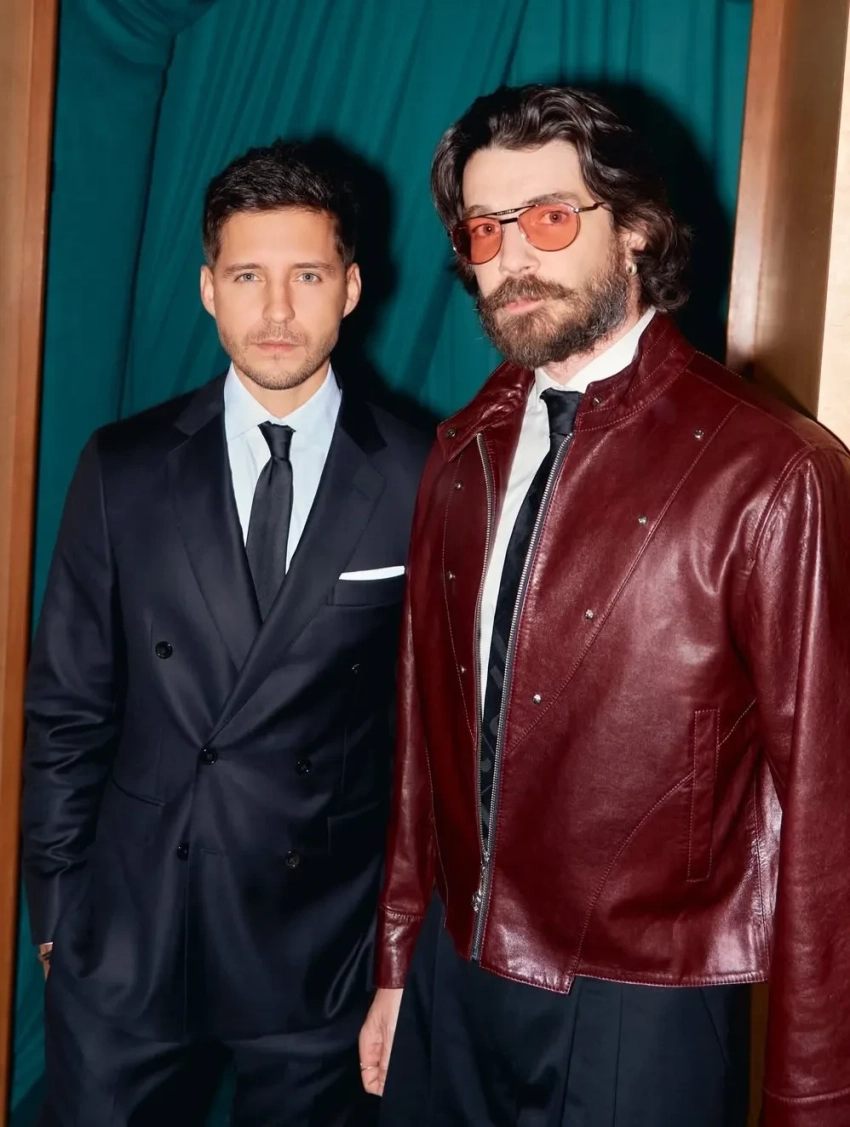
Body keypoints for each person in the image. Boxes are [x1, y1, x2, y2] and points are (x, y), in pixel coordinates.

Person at [359, 84, 850, 1127]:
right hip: (455, 975)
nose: (510, 257)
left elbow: (826, 816)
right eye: (483, 229)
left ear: (634, 228)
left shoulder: (771, 472)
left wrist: (811, 1096)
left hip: (645, 1005)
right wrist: (398, 960)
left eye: (548, 217)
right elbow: (420, 741)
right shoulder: (460, 451)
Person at [23, 138, 429, 1127]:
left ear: (351, 287)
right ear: (209, 289)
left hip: (317, 940)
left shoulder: (423, 470)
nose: (276, 309)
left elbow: (433, 743)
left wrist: (394, 954)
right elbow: (67, 705)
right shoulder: (124, 466)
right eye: (248, 276)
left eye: (307, 275)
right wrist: (59, 910)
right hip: (132, 929)